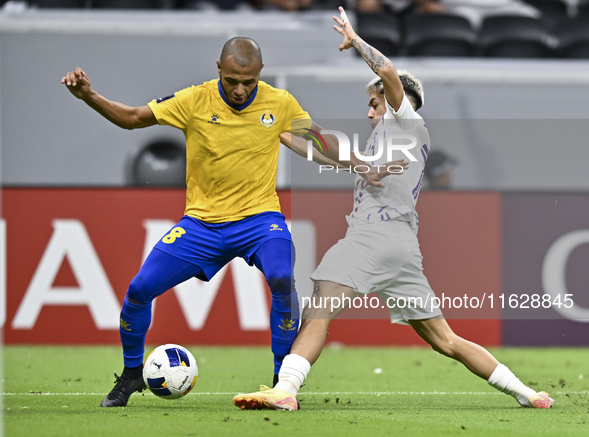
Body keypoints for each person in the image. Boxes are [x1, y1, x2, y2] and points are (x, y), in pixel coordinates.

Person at [232, 7, 554, 411]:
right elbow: (325, 153)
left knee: (319, 307)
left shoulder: (406, 122)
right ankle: (528, 394)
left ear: (396, 101)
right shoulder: (384, 143)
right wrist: (275, 131)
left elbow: (387, 73)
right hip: (402, 246)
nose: (369, 112)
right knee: (445, 340)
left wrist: (355, 40)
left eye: (373, 104)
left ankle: (286, 390)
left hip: (372, 237)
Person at [61, 36, 392, 408]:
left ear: (260, 74)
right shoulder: (194, 99)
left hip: (259, 220)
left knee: (283, 277)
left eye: (248, 82)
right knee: (138, 291)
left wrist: (359, 163)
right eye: (232, 80)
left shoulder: (279, 102)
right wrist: (89, 96)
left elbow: (317, 138)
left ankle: (282, 383)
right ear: (219, 69)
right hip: (201, 225)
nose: (239, 89)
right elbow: (133, 118)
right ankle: (132, 374)